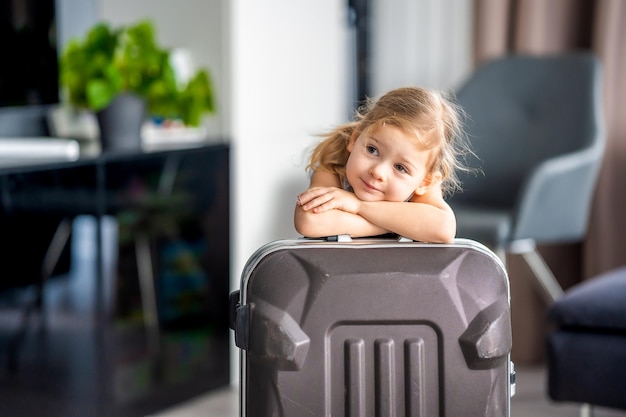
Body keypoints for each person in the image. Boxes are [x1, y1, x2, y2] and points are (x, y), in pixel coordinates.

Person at [294, 86, 469, 243]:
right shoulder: (335, 159)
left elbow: (443, 228)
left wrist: (358, 206)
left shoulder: (422, 179)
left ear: (425, 182)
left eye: (400, 167)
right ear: (355, 139)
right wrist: (400, 225)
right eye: (372, 150)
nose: (378, 172)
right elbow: (310, 221)